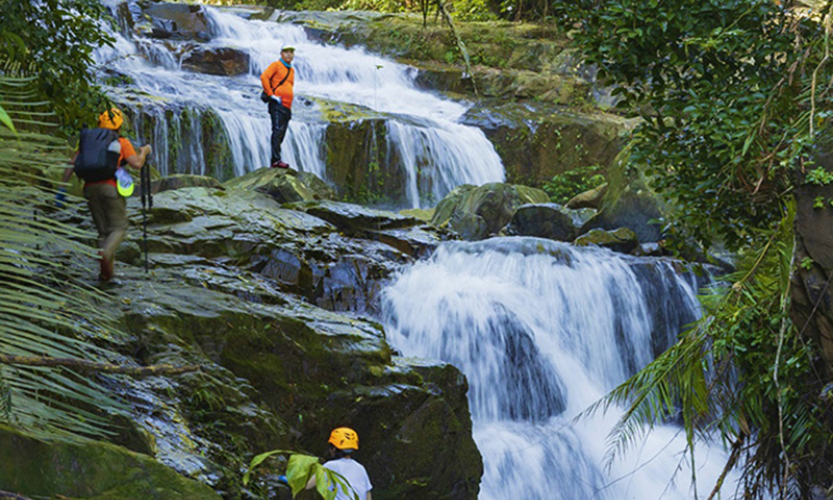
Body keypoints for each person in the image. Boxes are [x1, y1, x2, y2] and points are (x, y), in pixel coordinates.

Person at [60, 108, 152, 281]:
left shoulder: (88, 143)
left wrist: (62, 188)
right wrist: (144, 151)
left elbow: (71, 163)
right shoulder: (121, 141)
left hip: (89, 189)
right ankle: (106, 254)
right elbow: (137, 164)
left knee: (103, 232)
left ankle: (106, 274)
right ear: (119, 126)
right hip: (110, 188)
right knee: (118, 228)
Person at [306, 427, 373, 500]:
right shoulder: (360, 468)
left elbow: (307, 485)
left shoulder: (331, 466)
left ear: (333, 449)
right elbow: (368, 494)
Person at [260, 45, 295, 169]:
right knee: (277, 131)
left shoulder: (291, 70)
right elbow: (264, 77)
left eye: (291, 52)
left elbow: (289, 86)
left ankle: (277, 158)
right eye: (286, 52)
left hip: (287, 106)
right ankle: (275, 160)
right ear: (281, 53)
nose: (289, 54)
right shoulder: (276, 65)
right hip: (277, 104)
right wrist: (271, 94)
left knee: (282, 133)